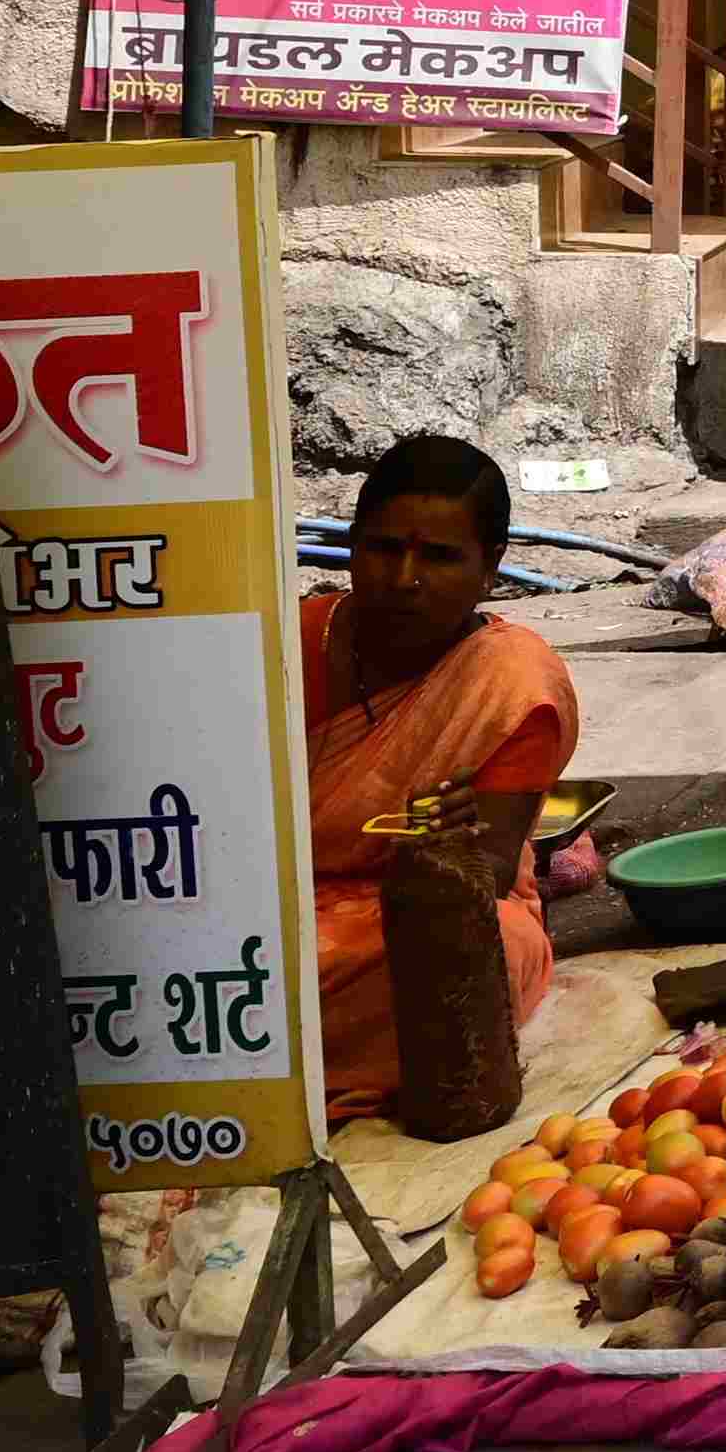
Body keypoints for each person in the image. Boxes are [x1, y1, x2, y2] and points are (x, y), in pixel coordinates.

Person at [303, 434, 576, 1122]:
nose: (404, 578)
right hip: (276, 904)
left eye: (440, 556)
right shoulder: (286, 643)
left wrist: (445, 843)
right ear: (353, 547)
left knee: (476, 956)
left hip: (421, 912)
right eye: (383, 548)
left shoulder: (511, 681)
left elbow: (482, 876)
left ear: (490, 570)